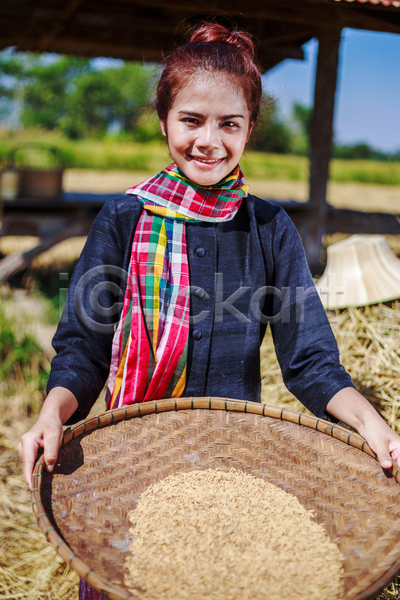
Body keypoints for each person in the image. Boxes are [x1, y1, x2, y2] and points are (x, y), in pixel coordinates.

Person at [18, 21, 400, 600]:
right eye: (191, 120)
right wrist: (52, 414)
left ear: (250, 130)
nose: (209, 141)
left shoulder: (270, 229)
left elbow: (310, 362)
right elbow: (84, 349)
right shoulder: (125, 220)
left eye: (230, 124)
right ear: (165, 120)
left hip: (233, 468)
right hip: (133, 457)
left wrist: (373, 424)